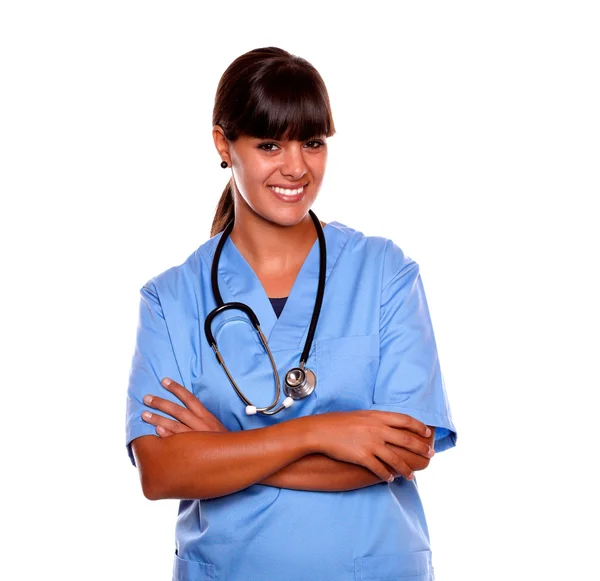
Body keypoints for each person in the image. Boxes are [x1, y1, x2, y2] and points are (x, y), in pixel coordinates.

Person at [125, 46, 457, 581]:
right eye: (269, 144)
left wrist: (223, 453)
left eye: (313, 142)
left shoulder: (384, 273)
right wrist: (319, 433)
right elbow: (161, 472)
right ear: (223, 145)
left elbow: (406, 450)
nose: (296, 167)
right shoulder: (171, 299)